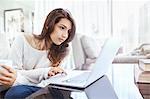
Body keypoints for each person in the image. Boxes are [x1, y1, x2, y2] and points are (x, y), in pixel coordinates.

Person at [0, 8, 76, 99]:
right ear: (48, 25)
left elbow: (53, 81)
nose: (65, 35)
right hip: (24, 88)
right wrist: (45, 72)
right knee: (15, 93)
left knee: (59, 91)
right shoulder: (22, 40)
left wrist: (19, 80)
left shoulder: (64, 50)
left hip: (44, 87)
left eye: (68, 31)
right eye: (62, 28)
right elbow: (13, 74)